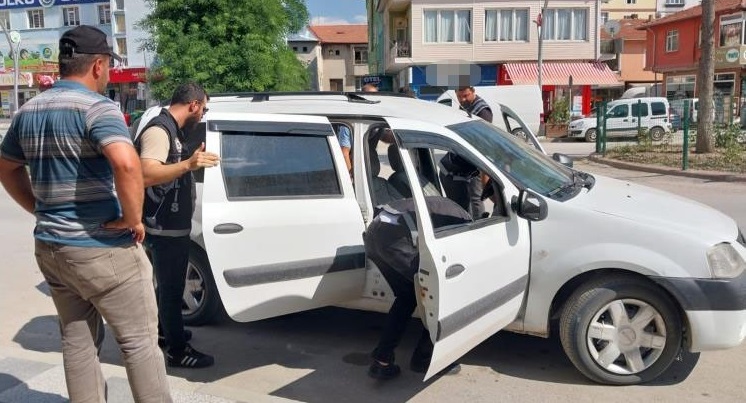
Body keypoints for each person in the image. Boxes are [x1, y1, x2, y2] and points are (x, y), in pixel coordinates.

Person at [0, 25, 172, 402]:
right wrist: (133, 220)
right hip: (101, 248)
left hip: (51, 247)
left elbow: (6, 167)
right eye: (108, 64)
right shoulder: (99, 108)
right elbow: (127, 165)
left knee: (77, 343)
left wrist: (38, 208)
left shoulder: (28, 110)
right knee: (140, 344)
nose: (109, 72)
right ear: (97, 65)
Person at [134, 82, 219, 368]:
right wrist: (188, 164)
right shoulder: (160, 130)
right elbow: (146, 173)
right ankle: (177, 351)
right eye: (204, 108)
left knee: (168, 287)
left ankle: (165, 332)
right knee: (171, 290)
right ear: (193, 105)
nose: (203, 114)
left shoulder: (174, 130)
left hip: (171, 224)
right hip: (163, 226)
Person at [365, 196, 471, 380]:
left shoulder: (449, 206)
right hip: (394, 236)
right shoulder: (464, 222)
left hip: (375, 231)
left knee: (407, 296)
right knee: (440, 295)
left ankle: (382, 360)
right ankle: (424, 359)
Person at [439, 86, 494, 218]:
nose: (463, 99)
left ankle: (479, 227)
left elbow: (479, 143)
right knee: (464, 205)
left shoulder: (483, 112)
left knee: (476, 200)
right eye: (459, 96)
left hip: (473, 165)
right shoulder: (467, 106)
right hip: (457, 167)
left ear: (473, 91)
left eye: (466, 95)